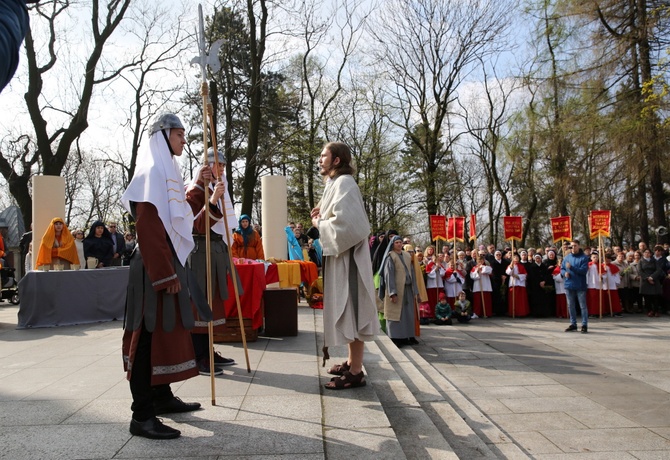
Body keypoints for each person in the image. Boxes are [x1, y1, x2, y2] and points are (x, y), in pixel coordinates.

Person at [120, 112, 212, 439]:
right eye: (179, 135)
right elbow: (148, 225)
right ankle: (141, 415)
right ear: (163, 136)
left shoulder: (168, 172)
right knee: (145, 339)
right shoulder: (150, 172)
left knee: (165, 334)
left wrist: (201, 186)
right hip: (150, 270)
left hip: (165, 264)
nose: (184, 140)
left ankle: (160, 397)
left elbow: (180, 215)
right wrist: (162, 274)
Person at [310, 141, 380, 390]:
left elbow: (351, 227)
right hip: (342, 258)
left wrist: (320, 224)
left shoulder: (345, 183)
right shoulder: (334, 184)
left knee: (354, 309)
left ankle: (356, 372)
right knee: (349, 309)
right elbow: (338, 216)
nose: (320, 159)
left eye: (324, 155)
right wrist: (323, 214)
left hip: (349, 260)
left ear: (336, 160)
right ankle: (352, 362)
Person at [185, 147, 238, 375]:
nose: (221, 169)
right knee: (200, 304)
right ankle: (198, 355)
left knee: (213, 302)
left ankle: (208, 351)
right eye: (217, 164)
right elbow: (195, 225)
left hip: (214, 250)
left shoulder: (218, 188)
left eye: (224, 165)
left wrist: (217, 196)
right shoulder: (194, 189)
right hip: (199, 251)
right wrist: (213, 198)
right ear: (206, 165)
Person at [380, 235, 419, 347]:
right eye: (397, 242)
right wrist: (392, 292)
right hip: (396, 289)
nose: (399, 244)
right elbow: (389, 275)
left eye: (400, 242)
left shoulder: (407, 255)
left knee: (408, 314)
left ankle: (408, 336)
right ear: (392, 244)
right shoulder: (390, 257)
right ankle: (396, 337)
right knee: (396, 314)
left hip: (407, 289)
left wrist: (415, 291)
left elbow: (412, 274)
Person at [561, 239, 590, 333]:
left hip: (580, 284)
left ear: (579, 246)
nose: (573, 248)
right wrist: (564, 273)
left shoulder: (584, 258)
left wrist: (572, 268)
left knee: (582, 306)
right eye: (571, 246)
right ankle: (573, 323)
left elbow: (583, 271)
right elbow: (562, 269)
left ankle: (584, 324)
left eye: (575, 246)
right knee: (570, 306)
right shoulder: (567, 257)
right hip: (569, 284)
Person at [639, 248, 663, 317]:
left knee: (655, 297)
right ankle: (649, 310)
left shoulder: (654, 261)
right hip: (645, 281)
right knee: (647, 297)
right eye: (645, 252)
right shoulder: (641, 261)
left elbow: (658, 270)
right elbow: (640, 271)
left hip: (654, 280)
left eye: (648, 252)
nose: (647, 254)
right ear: (643, 253)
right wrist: (648, 278)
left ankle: (656, 310)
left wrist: (652, 277)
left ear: (651, 254)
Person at [470, 252, 493, 317]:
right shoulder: (474, 268)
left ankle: (486, 313)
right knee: (477, 301)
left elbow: (489, 271)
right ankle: (477, 313)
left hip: (486, 286)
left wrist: (482, 268)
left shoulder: (487, 267)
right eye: (479, 261)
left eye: (482, 260)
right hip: (477, 286)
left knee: (486, 301)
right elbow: (472, 276)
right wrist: (477, 272)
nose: (480, 262)